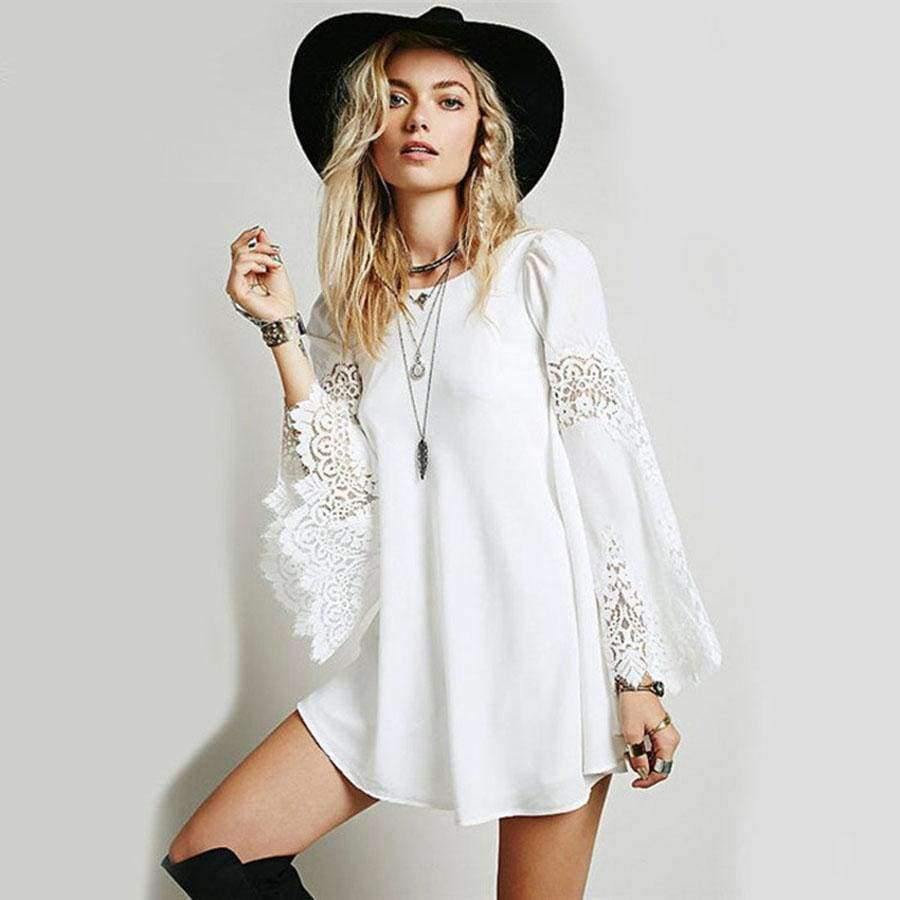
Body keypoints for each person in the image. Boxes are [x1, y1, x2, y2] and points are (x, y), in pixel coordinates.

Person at [160, 6, 723, 898]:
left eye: (449, 100)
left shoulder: (543, 269)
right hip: (422, 647)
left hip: (550, 653)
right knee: (213, 855)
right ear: (366, 129)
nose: (419, 119)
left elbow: (606, 477)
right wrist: (282, 333)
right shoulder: (350, 310)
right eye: (395, 98)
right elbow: (342, 495)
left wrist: (637, 677)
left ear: (482, 133)